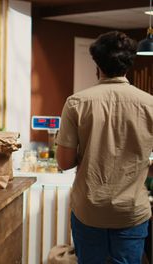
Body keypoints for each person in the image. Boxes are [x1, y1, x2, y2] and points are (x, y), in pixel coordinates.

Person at [56, 31, 153, 263]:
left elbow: (64, 162)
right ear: (128, 65)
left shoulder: (77, 103)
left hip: (89, 210)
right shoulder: (149, 104)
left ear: (97, 64)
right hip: (131, 211)